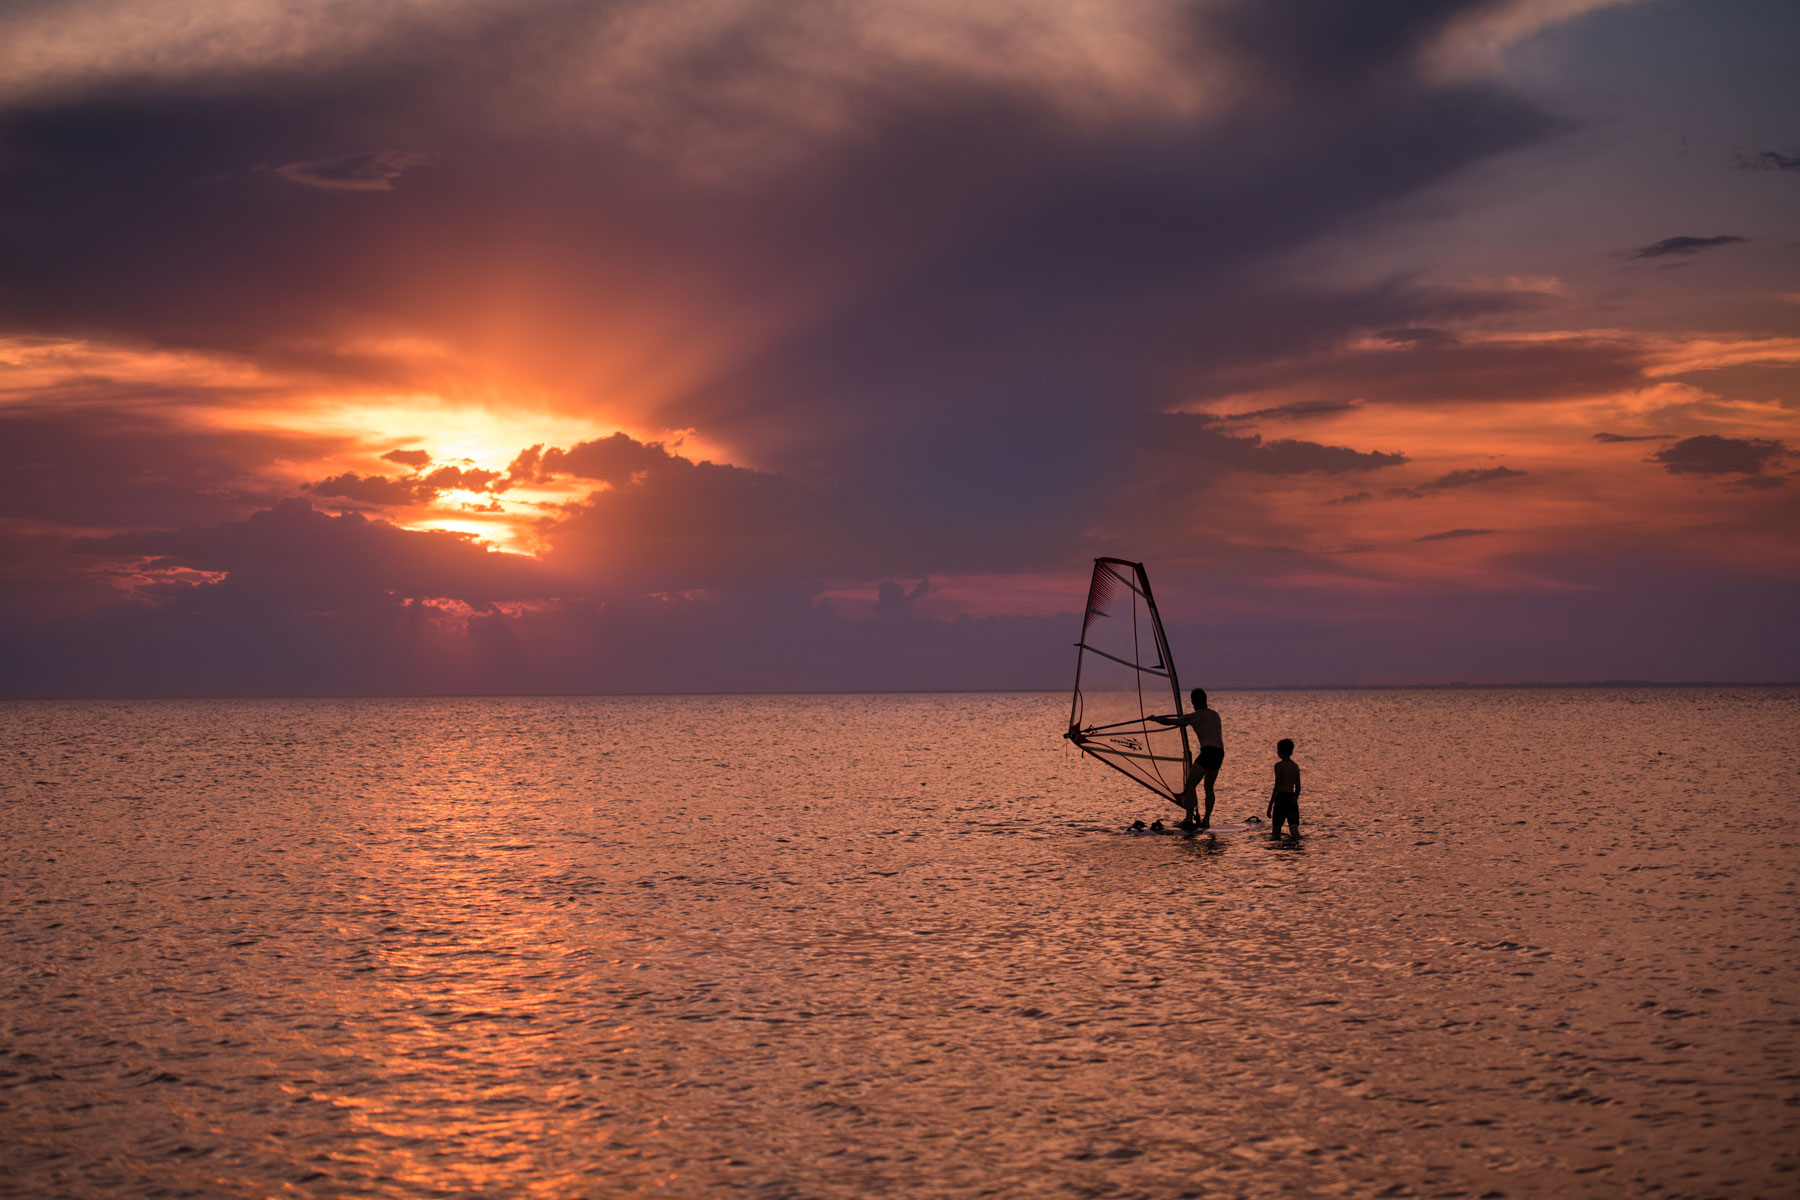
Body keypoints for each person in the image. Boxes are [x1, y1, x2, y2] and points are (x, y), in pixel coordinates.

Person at [1152, 687, 1224, 830]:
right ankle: (1206, 820)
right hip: (1219, 753)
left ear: (1193, 702)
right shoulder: (1214, 714)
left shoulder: (1193, 717)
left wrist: (1154, 719)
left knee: (1190, 785)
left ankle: (1188, 818)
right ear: (1205, 700)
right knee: (1209, 787)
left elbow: (1170, 722)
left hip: (1208, 752)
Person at [1268, 738, 1301, 838]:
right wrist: (1294, 800)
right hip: (1291, 799)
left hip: (1281, 799)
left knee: (1276, 832)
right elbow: (1298, 787)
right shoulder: (1295, 766)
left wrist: (1270, 804)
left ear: (1280, 752)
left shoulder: (1278, 766)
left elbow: (1278, 785)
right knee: (1294, 828)